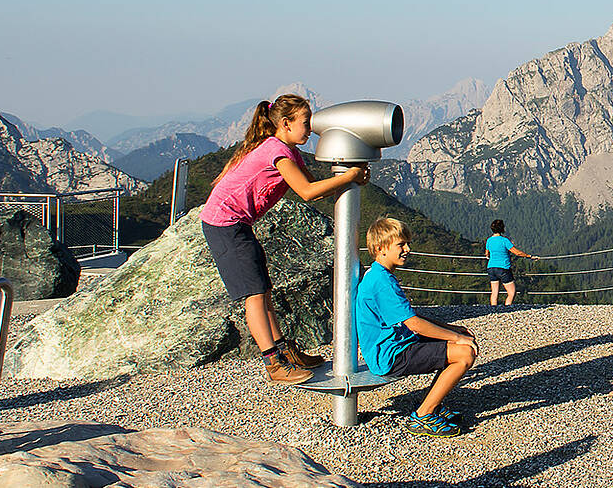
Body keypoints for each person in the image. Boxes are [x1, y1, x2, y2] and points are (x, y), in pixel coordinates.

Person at [202, 94, 370, 384]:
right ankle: (274, 363)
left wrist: (351, 179)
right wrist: (350, 175)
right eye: (305, 123)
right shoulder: (276, 151)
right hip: (225, 224)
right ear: (285, 123)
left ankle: (285, 351)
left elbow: (318, 186)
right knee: (254, 297)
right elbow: (306, 191)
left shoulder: (286, 149)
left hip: (235, 224)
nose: (310, 128)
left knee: (263, 291)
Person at [358, 218, 479, 437]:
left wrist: (452, 330)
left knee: (456, 341)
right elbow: (413, 323)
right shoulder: (381, 282)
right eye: (401, 245)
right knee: (465, 353)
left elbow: (407, 315)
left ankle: (434, 402)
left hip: (396, 345)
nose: (408, 249)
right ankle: (424, 415)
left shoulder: (378, 275)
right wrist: (457, 338)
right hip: (390, 355)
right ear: (380, 249)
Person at [485, 219, 539, 305]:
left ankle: (493, 311)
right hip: (503, 268)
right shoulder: (504, 240)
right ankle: (507, 310)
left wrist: (489, 256)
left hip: (491, 267)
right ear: (502, 228)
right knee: (511, 292)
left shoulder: (489, 240)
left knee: (494, 293)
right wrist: (529, 256)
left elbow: (487, 253)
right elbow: (517, 252)